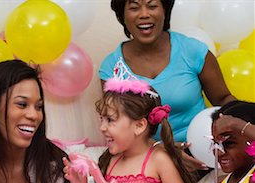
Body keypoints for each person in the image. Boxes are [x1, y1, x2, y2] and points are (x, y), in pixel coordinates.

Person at [63, 65, 198, 183]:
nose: (102, 127)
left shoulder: (158, 159)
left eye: (110, 120)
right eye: (101, 119)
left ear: (139, 125)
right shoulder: (110, 161)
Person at [99, 0, 235, 171]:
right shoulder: (112, 67)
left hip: (201, 150)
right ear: (123, 16)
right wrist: (162, 149)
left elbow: (223, 98)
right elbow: (117, 126)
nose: (144, 14)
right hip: (146, 156)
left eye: (152, 6)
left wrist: (243, 125)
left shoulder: (193, 50)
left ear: (165, 11)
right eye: (134, 8)